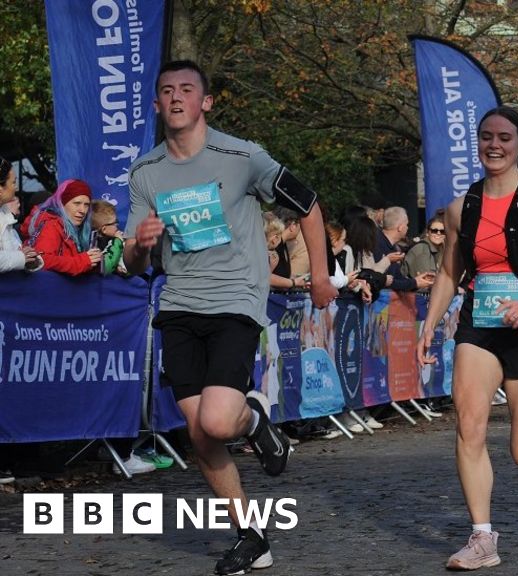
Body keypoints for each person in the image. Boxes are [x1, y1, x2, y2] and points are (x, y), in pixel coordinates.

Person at [124, 60, 337, 575]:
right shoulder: (145, 172)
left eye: (187, 90)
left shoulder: (241, 156)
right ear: (156, 105)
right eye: (167, 91)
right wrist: (141, 247)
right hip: (178, 307)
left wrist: (323, 276)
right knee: (199, 433)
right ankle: (251, 536)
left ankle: (254, 418)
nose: (176, 98)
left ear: (206, 102)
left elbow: (306, 205)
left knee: (219, 420)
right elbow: (132, 263)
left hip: (236, 299)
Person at [416, 106, 518, 571]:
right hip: (479, 325)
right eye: (486, 136)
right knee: (469, 424)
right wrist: (431, 322)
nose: (494, 145)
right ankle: (482, 538)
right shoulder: (460, 206)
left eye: (505, 138)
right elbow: (451, 270)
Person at [24, 179, 102, 275]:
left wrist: (95, 263)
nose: (83, 210)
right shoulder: (51, 225)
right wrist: (82, 261)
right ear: (62, 204)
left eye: (86, 205)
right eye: (77, 203)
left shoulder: (77, 228)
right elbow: (40, 261)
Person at [0, 156, 42, 273]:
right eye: (13, 182)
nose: (16, 187)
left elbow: (19, 253)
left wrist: (31, 259)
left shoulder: (6, 216)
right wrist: (21, 258)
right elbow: (19, 257)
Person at [376, 206, 433, 292]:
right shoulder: (377, 244)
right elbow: (386, 281)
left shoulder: (392, 247)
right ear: (400, 227)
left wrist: (417, 281)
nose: (407, 228)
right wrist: (415, 283)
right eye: (407, 225)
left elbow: (398, 279)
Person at [401, 214, 445, 286]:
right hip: (417, 294)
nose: (438, 233)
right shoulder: (422, 250)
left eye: (442, 231)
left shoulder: (441, 249)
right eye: (434, 231)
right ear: (427, 233)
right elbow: (426, 283)